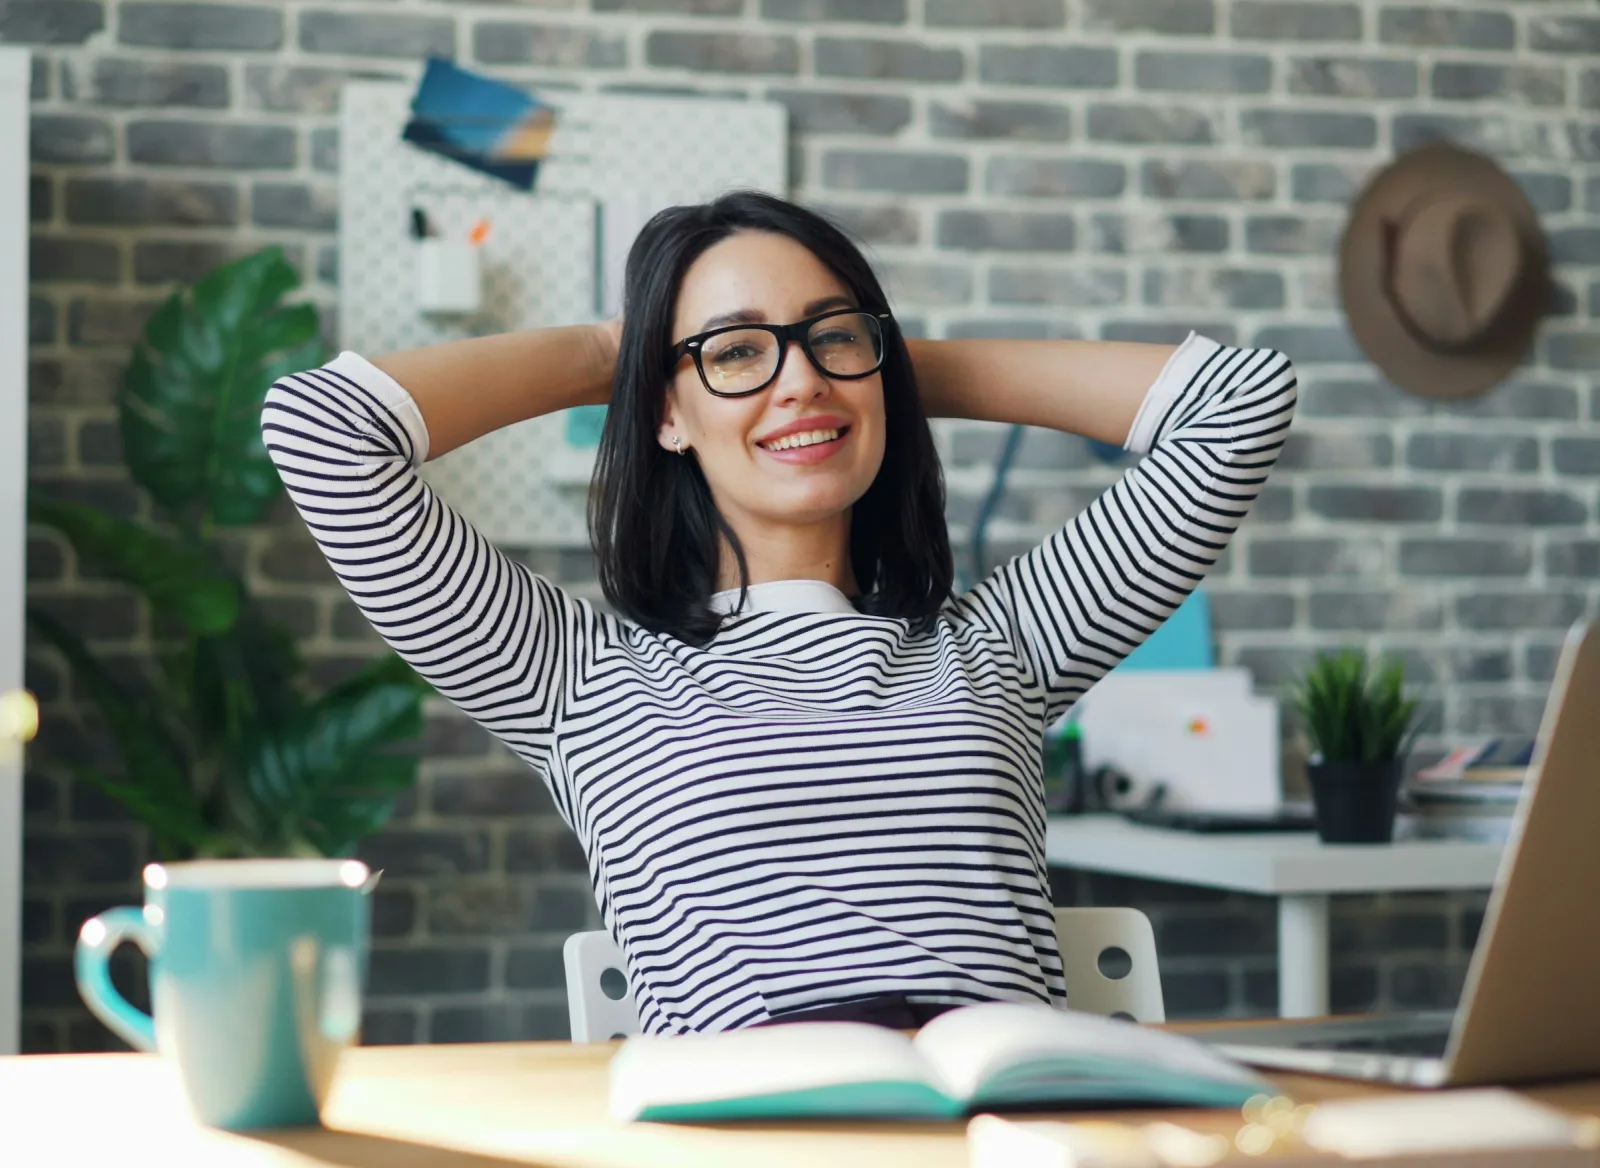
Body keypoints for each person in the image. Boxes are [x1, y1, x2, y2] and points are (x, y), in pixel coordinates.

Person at [262, 191, 1296, 1036]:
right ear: (665, 409)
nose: (797, 380)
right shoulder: (575, 679)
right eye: (735, 353)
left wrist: (874, 370)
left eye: (831, 336)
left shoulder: (1003, 647)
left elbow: (1238, 405)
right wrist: (615, 354)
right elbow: (320, 430)